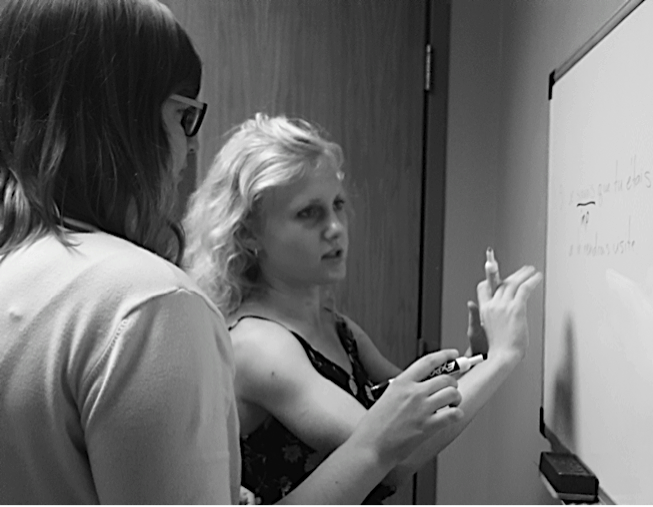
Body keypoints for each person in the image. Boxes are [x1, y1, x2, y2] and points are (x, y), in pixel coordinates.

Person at [0, 0, 465, 504]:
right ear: (119, 121)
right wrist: (380, 444)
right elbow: (395, 457)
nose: (189, 150)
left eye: (337, 206)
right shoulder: (152, 306)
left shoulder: (19, 270)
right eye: (183, 117)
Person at [183, 113, 543, 505]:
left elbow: (417, 412)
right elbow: (393, 456)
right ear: (248, 233)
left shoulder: (338, 328)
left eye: (337, 205)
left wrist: (478, 359)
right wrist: (503, 358)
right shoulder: (259, 345)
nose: (335, 227)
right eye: (309, 213)